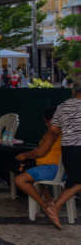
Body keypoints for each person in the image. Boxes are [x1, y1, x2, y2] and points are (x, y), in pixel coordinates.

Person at [41, 82, 81, 229]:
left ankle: (55, 207)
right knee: (77, 181)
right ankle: (55, 206)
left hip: (68, 148)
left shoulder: (63, 105)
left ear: (73, 91)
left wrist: (69, 130)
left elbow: (53, 128)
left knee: (74, 180)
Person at [14, 107, 62, 216]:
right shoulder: (68, 130)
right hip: (65, 170)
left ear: (51, 120)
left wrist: (25, 155)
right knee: (32, 173)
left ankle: (44, 205)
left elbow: (40, 153)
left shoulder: (53, 132)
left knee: (20, 179)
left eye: (46, 121)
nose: (46, 124)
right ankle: (49, 199)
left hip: (52, 169)